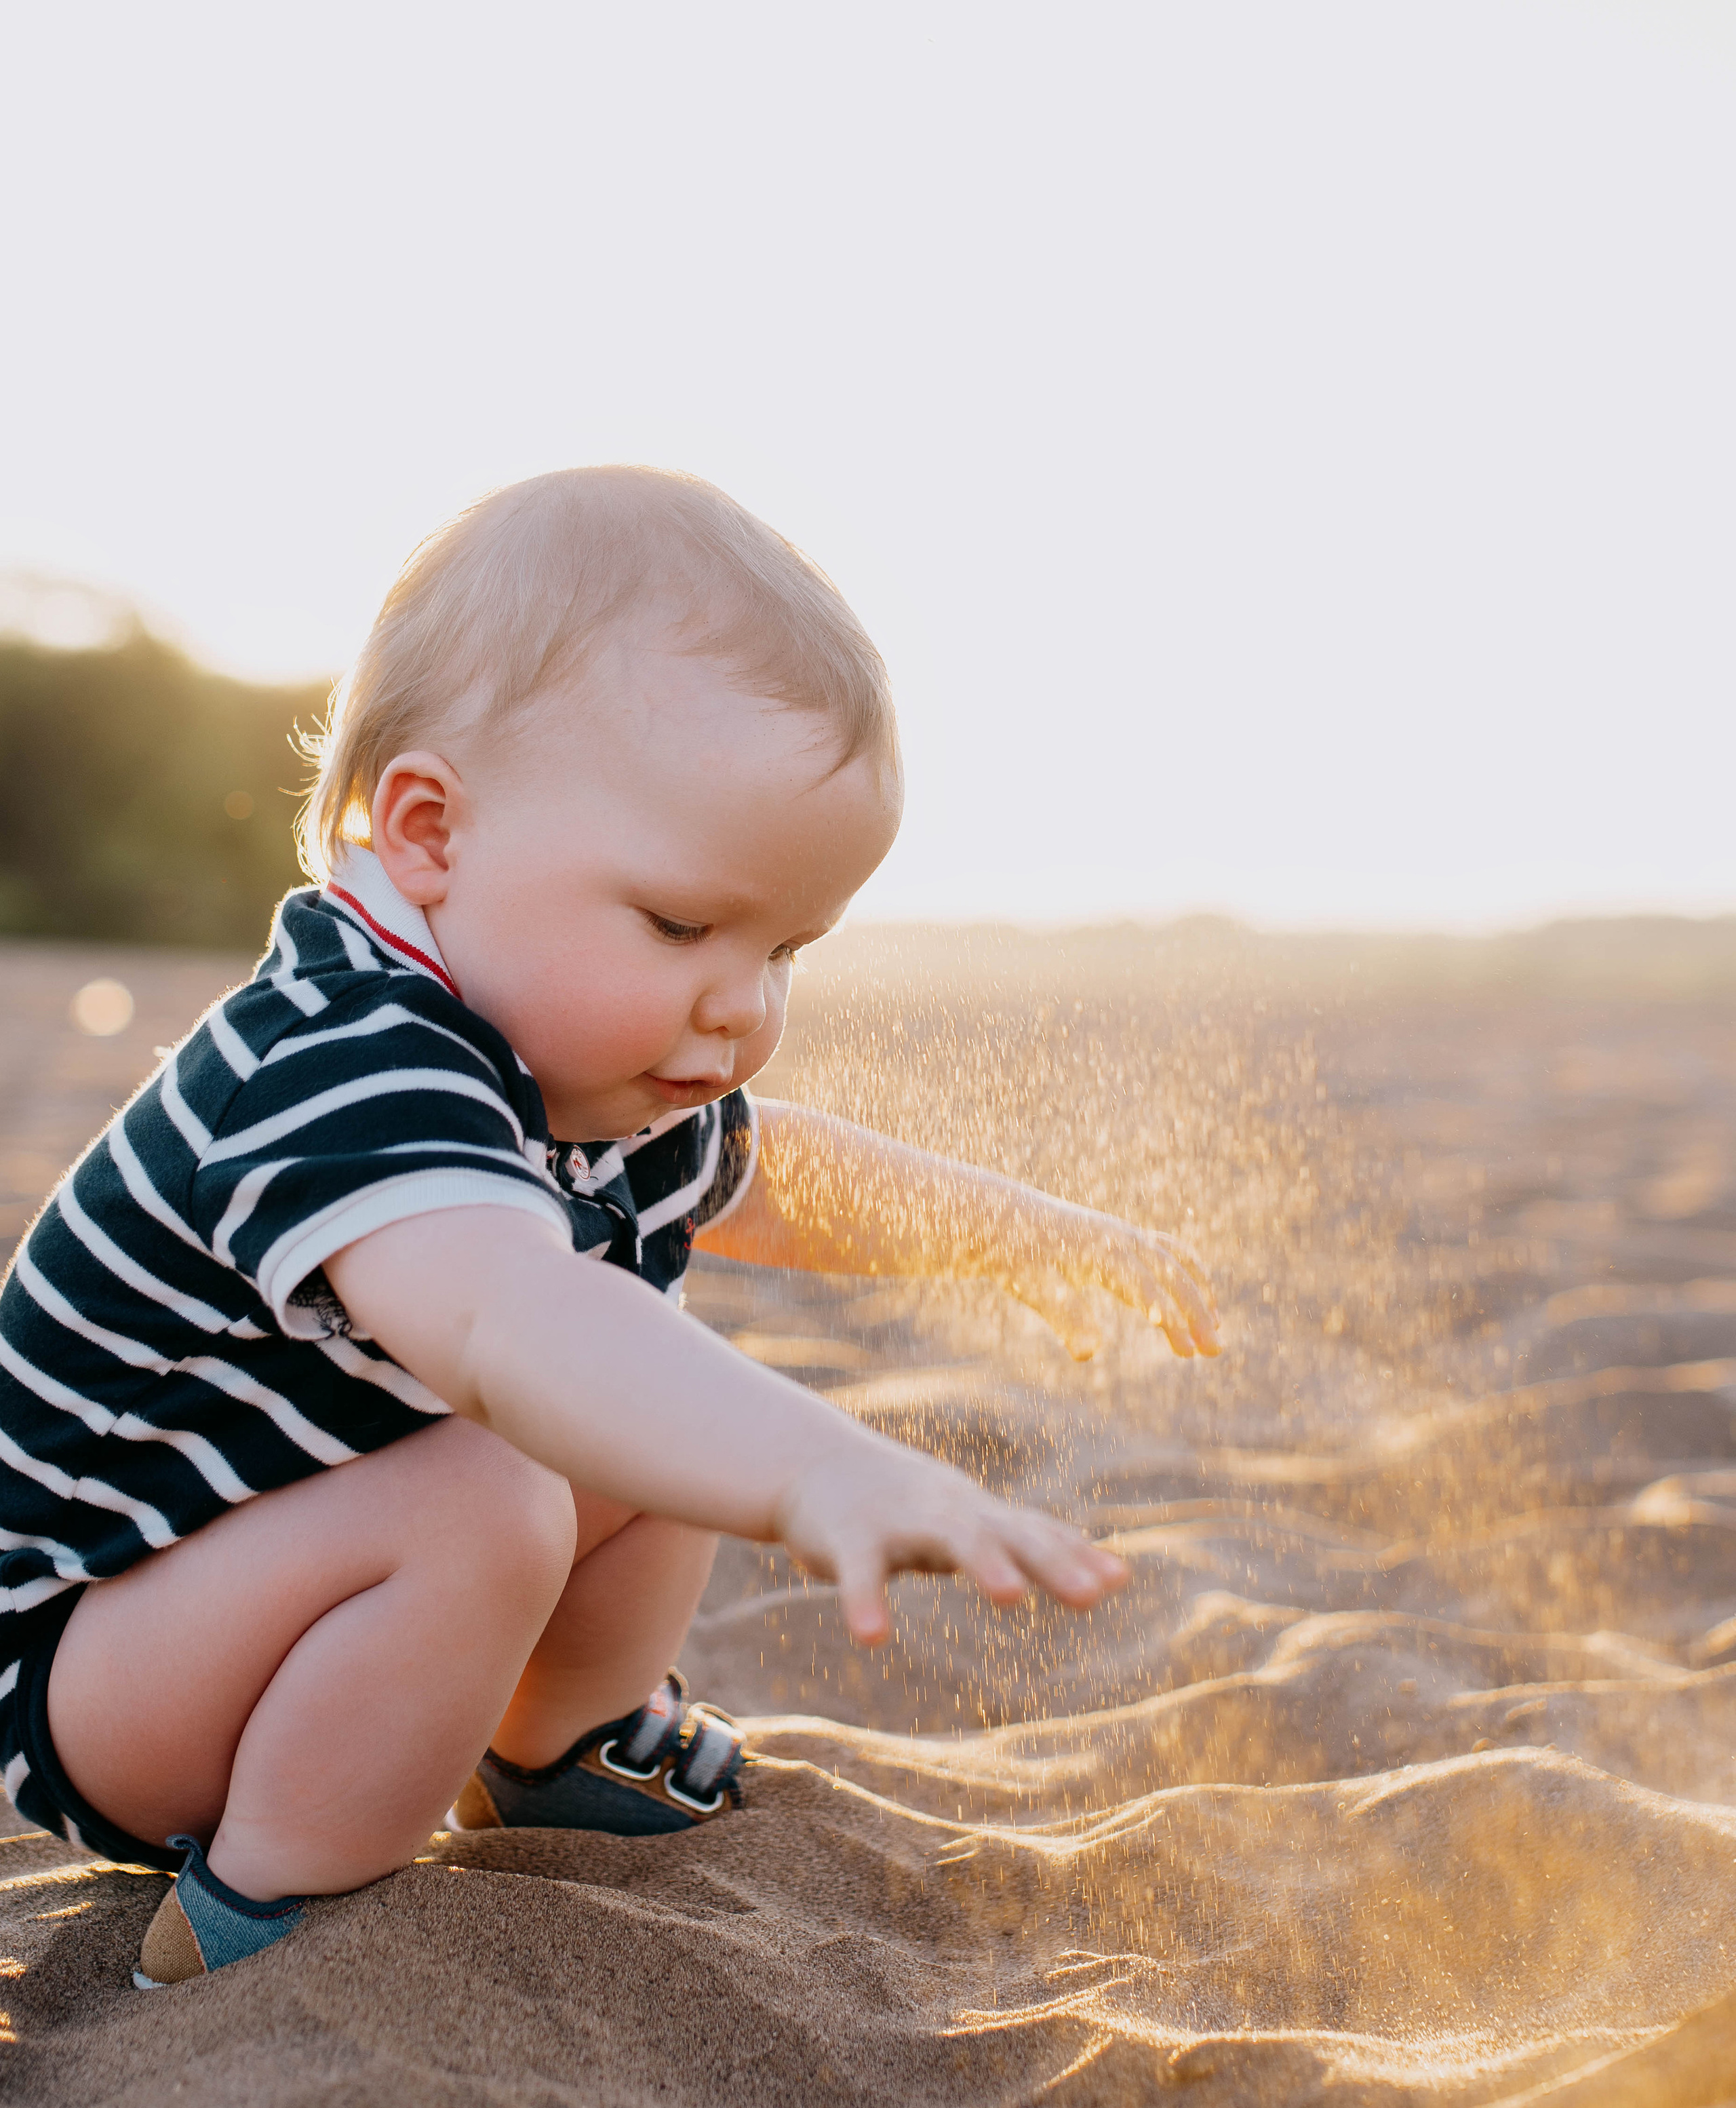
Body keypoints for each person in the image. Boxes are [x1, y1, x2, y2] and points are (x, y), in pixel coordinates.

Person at [0, 469, 1219, 1987]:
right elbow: (514, 1324)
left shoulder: (586, 1071)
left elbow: (771, 1178)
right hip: (94, 1661)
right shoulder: (337, 1060)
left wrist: (1020, 1231)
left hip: (268, 1575)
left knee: (643, 1388)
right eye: (680, 925)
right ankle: (266, 1904)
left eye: (785, 947)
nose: (742, 1002)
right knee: (529, 1454)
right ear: (430, 830)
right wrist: (812, 1459)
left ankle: (555, 1741)